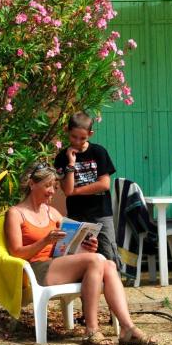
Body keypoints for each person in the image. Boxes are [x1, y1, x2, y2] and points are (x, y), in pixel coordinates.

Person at [4, 162, 158, 345]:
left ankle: (128, 328)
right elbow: (16, 252)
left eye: (54, 186)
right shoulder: (15, 213)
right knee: (96, 260)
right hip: (35, 270)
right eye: (47, 186)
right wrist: (45, 241)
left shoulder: (52, 213)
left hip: (58, 264)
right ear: (32, 184)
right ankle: (91, 330)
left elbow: (67, 248)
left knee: (107, 264)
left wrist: (87, 246)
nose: (52, 191)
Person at [54, 112, 119, 265]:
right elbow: (67, 189)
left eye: (82, 138)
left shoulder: (99, 152)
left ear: (90, 134)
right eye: (73, 137)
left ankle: (111, 284)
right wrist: (71, 163)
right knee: (77, 255)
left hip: (101, 213)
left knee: (108, 253)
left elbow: (104, 184)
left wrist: (76, 192)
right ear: (67, 131)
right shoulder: (62, 158)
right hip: (77, 215)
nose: (77, 141)